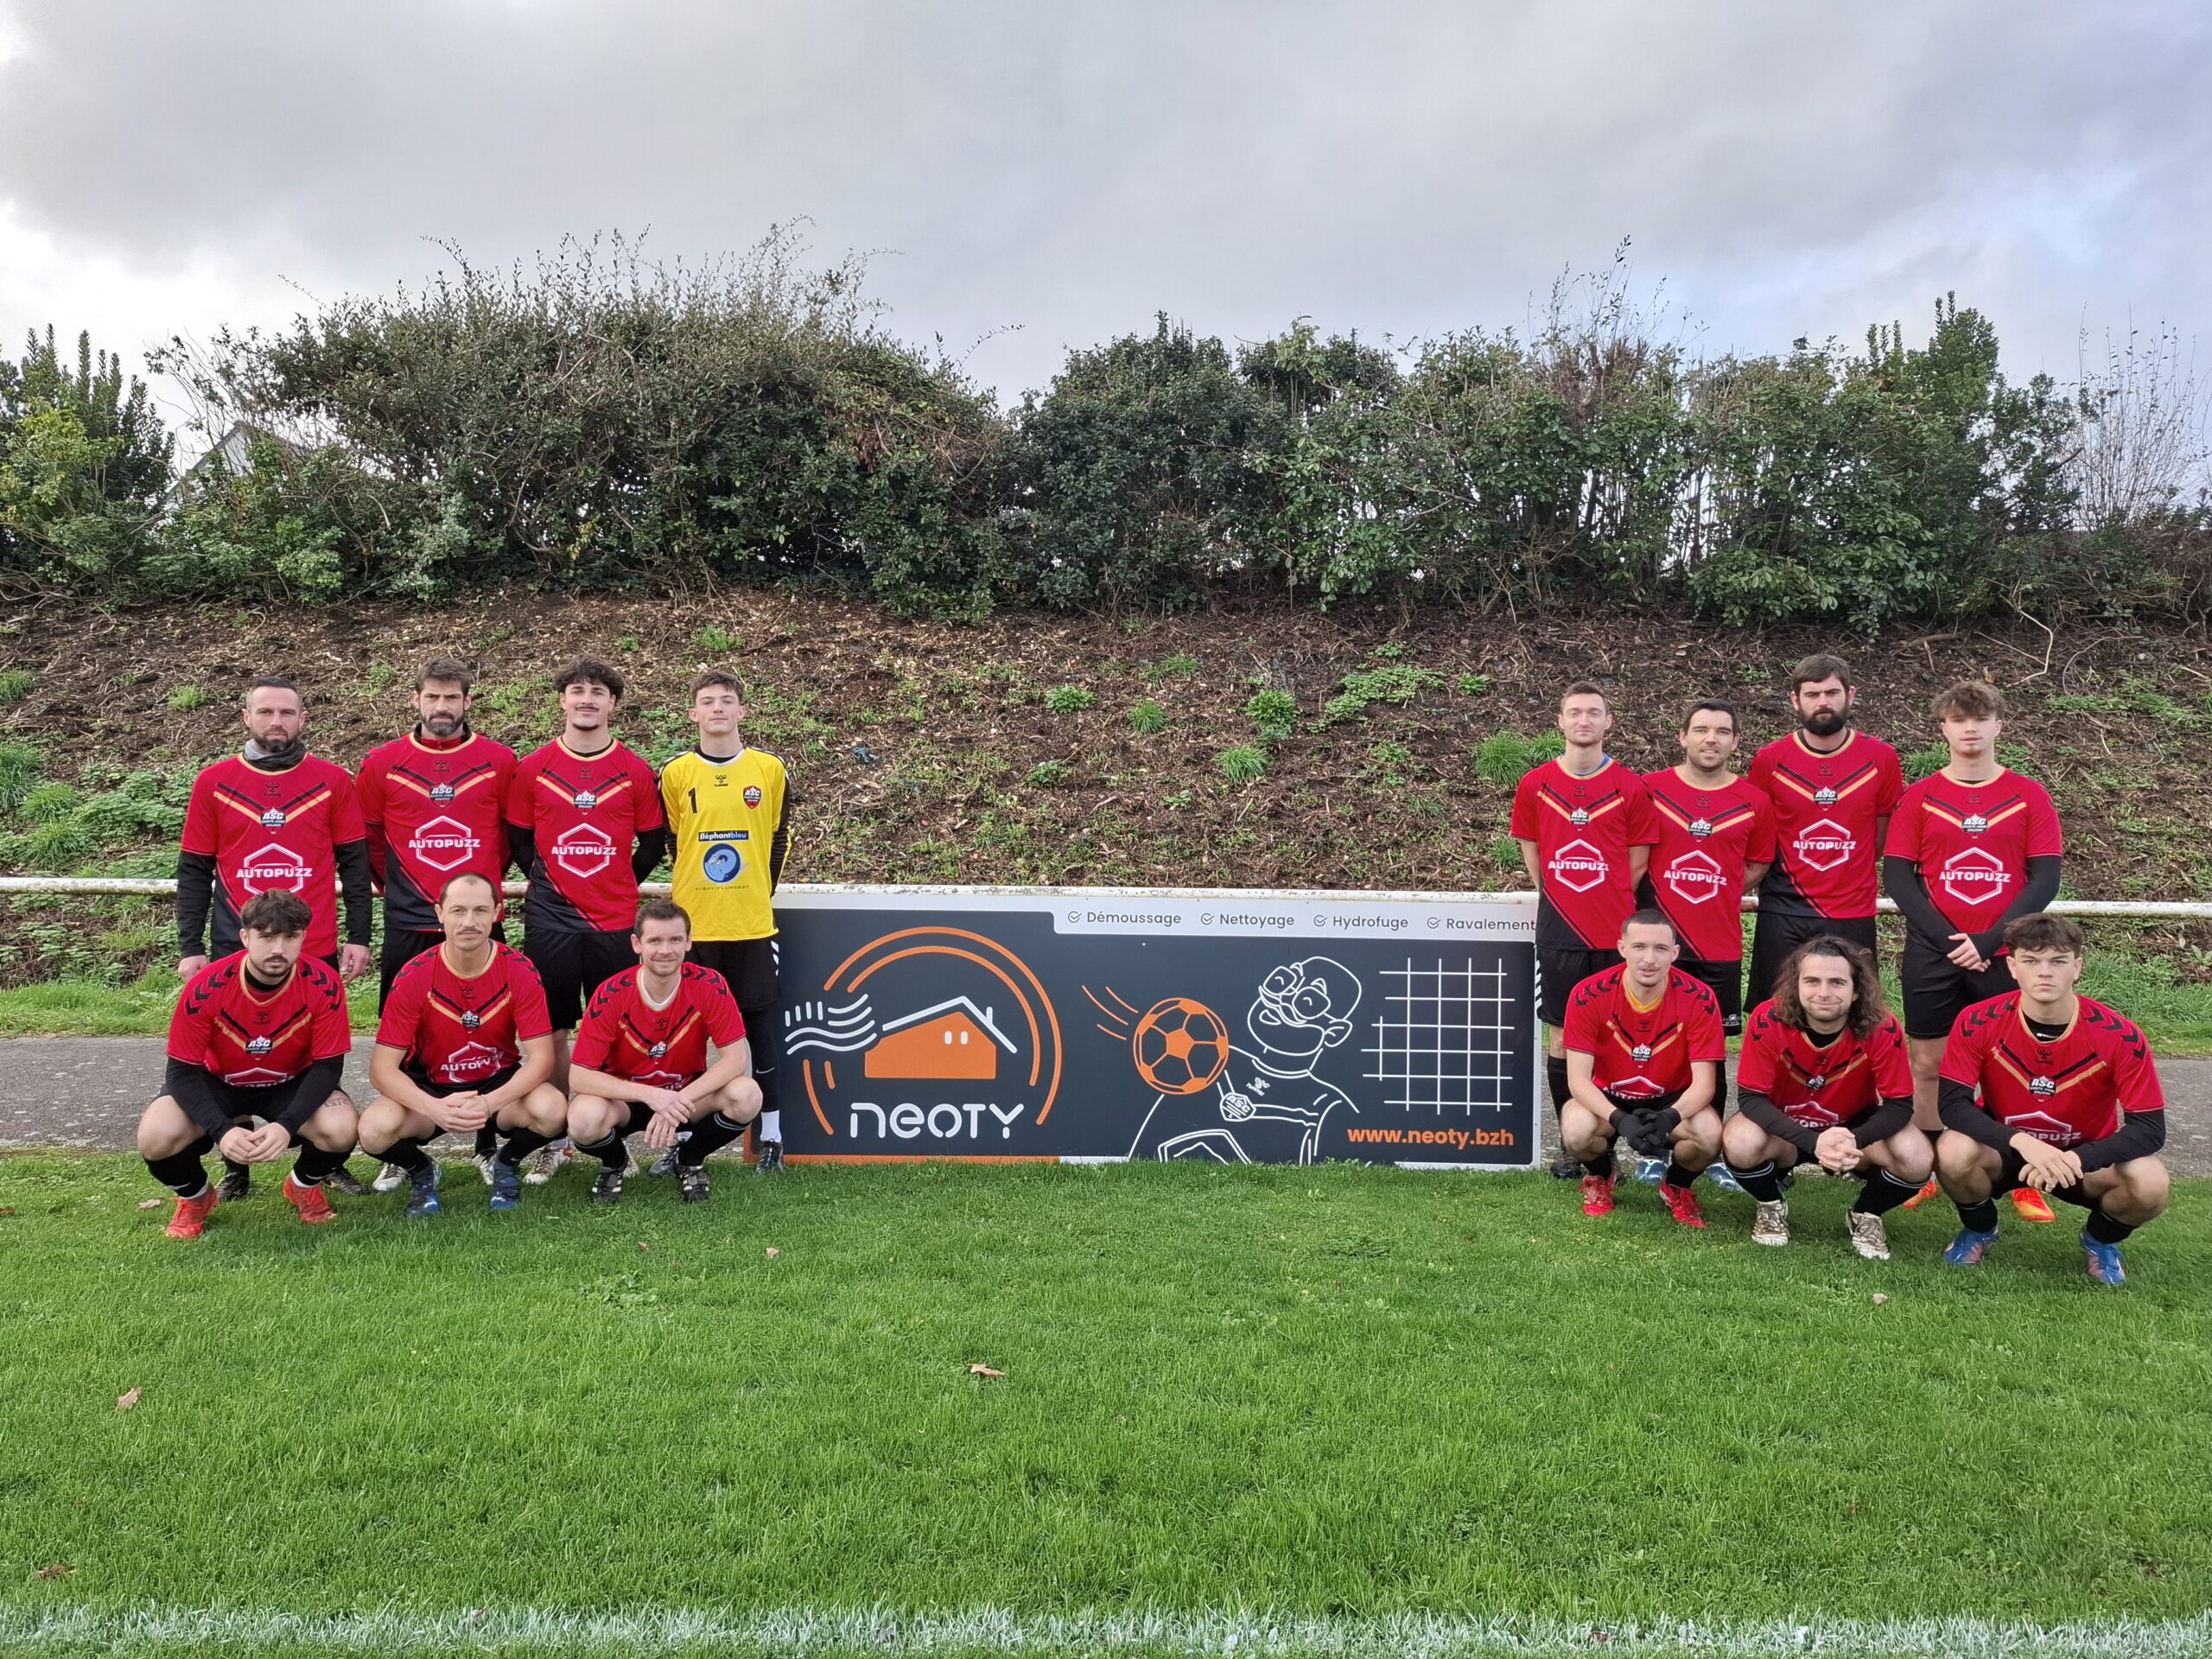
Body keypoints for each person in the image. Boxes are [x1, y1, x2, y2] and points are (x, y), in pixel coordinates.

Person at [175, 675, 374, 1200]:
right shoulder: (214, 781)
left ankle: (322, 1160)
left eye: (287, 713)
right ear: (247, 718)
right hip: (235, 942)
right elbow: (194, 870)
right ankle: (236, 1162)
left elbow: (355, 866)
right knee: (230, 1054)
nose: (277, 722)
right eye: (265, 712)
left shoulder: (332, 780)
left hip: (314, 944)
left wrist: (359, 935)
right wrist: (191, 946)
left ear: (303, 718)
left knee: (312, 1052)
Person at [1884, 681, 2063, 1223]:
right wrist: (1951, 942)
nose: (1969, 729)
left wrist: (1989, 942)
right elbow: (1899, 878)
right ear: (1943, 728)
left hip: (2005, 951)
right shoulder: (1920, 795)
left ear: (1998, 726)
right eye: (1958, 720)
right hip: (1933, 949)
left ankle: (2018, 1174)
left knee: (2008, 1063)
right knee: (1927, 1062)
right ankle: (1928, 1168)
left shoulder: (2029, 794)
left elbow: (2044, 879)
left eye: (1980, 719)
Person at [1933, 914, 2168, 1284]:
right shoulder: (1977, 1020)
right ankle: (1980, 1229)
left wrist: (2076, 1158)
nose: (2045, 972)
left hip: (2082, 1161)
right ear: (2013, 968)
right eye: (2031, 961)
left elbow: (2149, 1129)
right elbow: (1953, 1106)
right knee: (1952, 1150)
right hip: (2007, 1151)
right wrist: (2024, 1143)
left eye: (2058, 961)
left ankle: (2100, 1241)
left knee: (2150, 1181)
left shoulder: (2121, 1035)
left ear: (2077, 968)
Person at [356, 658, 518, 1192]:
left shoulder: (499, 760)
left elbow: (511, 837)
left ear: (468, 701)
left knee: (489, 1028)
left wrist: (480, 894)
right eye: (433, 697)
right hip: (410, 919)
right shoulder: (382, 763)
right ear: (416, 700)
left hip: (477, 923)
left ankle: (488, 1144)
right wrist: (402, 890)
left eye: (452, 697)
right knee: (403, 1037)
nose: (442, 707)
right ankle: (403, 1148)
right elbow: (370, 840)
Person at [137, 891, 359, 1239]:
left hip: (288, 1082)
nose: (278, 949)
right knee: (156, 1135)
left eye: (290, 937)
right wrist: (221, 1130)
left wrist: (286, 1125)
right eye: (266, 937)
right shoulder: (205, 987)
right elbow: (181, 1072)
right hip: (218, 1082)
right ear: (245, 937)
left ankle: (302, 1186)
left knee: (342, 1126)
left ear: (303, 937)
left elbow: (328, 1067)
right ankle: (196, 1197)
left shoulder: (324, 983)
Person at [1510, 682, 1657, 1179]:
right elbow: (1532, 850)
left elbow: (1638, 862)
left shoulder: (1630, 787)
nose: (1584, 720)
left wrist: (1604, 900)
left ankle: (1609, 1140)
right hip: (1559, 933)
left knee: (1614, 1039)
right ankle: (1573, 1145)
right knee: (1561, 1037)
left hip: (1615, 936)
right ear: (1561, 722)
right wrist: (1562, 895)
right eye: (1575, 712)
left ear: (1608, 722)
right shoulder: (1535, 784)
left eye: (1594, 713)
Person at [356, 873, 567, 1215]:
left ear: (497, 912)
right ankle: (423, 1170)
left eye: (480, 910)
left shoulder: (520, 969)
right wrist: (433, 1108)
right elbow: (381, 1070)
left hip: (497, 1085)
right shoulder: (414, 975)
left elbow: (542, 1059)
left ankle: (506, 1163)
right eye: (458, 911)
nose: (469, 922)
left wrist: (489, 1103)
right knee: (373, 1130)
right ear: (440, 913)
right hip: (433, 1087)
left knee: (553, 1110)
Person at [503, 657, 667, 1091]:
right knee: (551, 1030)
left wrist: (618, 882)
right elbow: (518, 840)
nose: (587, 699)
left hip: (613, 922)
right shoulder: (534, 767)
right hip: (550, 919)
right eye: (577, 691)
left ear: (612, 703)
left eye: (597, 692)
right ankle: (557, 1122)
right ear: (563, 700)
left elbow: (653, 844)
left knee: (617, 1026)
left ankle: (609, 1120)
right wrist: (550, 882)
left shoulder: (635, 770)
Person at [653, 670, 791, 1173]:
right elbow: (674, 841)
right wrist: (698, 893)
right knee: (688, 1040)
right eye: (708, 701)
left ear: (741, 711)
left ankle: (772, 1137)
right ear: (694, 713)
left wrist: (755, 893)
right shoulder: (675, 772)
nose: (717, 708)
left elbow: (778, 838)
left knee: (760, 1032)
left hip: (750, 926)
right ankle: (686, 1140)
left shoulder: (769, 769)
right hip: (696, 931)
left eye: (727, 700)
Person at [1720, 937, 1929, 1259]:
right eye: (1812, 981)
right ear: (1796, 985)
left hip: (1851, 1132)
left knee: (1916, 1156)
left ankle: (1866, 1213)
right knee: (1739, 1140)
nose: (1823, 992)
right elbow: (1751, 1099)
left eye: (1837, 982)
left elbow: (1899, 1105)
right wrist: (1812, 1141)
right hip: (1785, 1129)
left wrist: (1855, 1139)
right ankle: (1771, 1204)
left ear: (1856, 990)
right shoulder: (1768, 1018)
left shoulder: (1882, 1026)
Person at [565, 899, 764, 1204]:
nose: (665, 950)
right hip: (627, 1100)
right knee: (582, 1119)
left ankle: (689, 1159)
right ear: (637, 944)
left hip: (686, 1097)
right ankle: (615, 1163)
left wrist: (678, 1099)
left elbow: (736, 1060)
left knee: (747, 1095)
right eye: (655, 940)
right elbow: (579, 1077)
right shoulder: (611, 993)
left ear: (688, 942)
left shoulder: (710, 984)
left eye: (675, 940)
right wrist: (651, 1095)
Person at [1745, 654, 1903, 1014]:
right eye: (1813, 694)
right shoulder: (1770, 760)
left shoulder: (1881, 758)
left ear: (1850, 695)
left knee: (1853, 1014)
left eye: (1832, 693)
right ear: (1795, 700)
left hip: (1852, 908)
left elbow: (1881, 838)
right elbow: (1759, 836)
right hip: (1784, 907)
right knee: (1776, 1014)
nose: (1823, 702)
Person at [1557, 910, 1725, 1228]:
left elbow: (1705, 1085)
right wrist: (1620, 1120)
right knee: (1576, 1128)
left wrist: (1669, 1118)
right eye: (1639, 947)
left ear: (1675, 953)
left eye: (1660, 949)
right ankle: (1601, 1177)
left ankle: (1677, 1186)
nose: (1649, 959)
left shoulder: (1700, 998)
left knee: (1709, 1134)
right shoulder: (1588, 994)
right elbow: (1578, 1080)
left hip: (1670, 1099)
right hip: (1609, 1096)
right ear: (1622, 948)